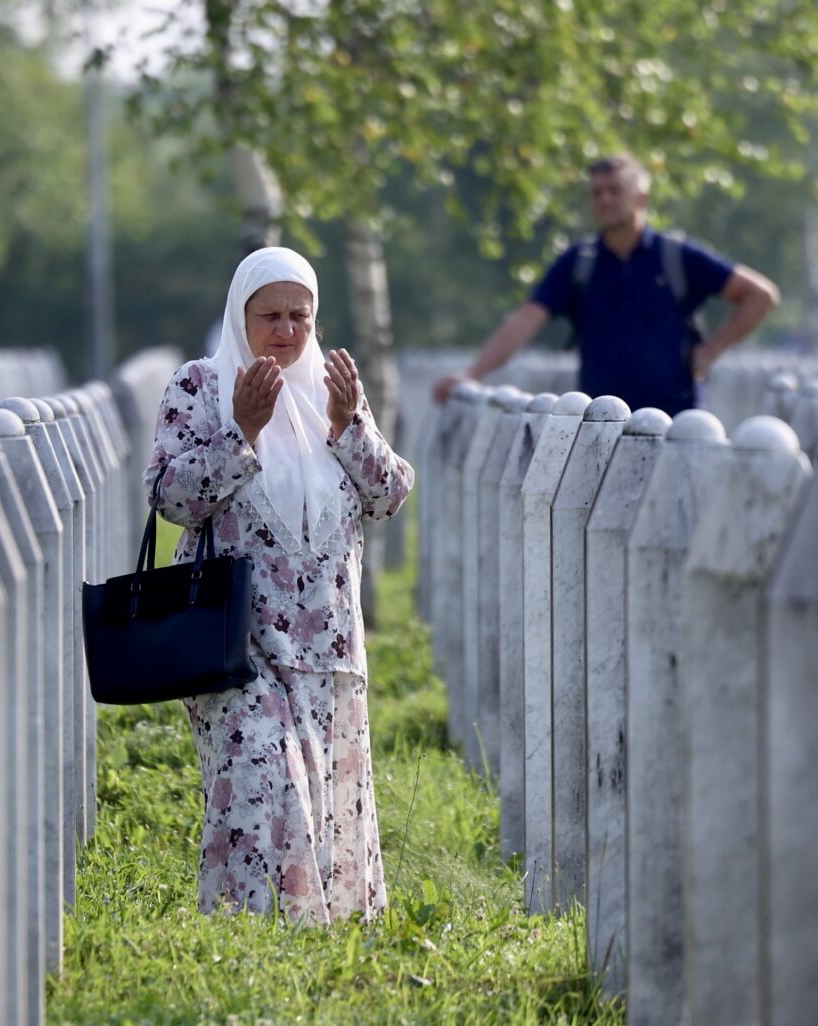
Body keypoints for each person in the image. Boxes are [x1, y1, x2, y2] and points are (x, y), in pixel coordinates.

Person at [145, 247, 414, 924]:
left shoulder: (333, 390)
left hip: (325, 647)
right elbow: (169, 494)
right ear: (242, 315)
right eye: (271, 315)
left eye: (300, 315)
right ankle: (249, 937)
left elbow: (388, 495)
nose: (287, 331)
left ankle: (314, 946)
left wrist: (351, 425)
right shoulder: (200, 387)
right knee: (265, 779)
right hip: (235, 640)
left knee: (318, 797)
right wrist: (242, 431)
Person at [433, 154, 780, 413]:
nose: (604, 200)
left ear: (641, 197)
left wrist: (712, 350)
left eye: (615, 190)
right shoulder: (579, 264)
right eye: (596, 193)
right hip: (600, 427)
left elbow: (760, 295)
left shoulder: (676, 256)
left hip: (676, 423)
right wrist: (473, 374)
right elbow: (526, 320)